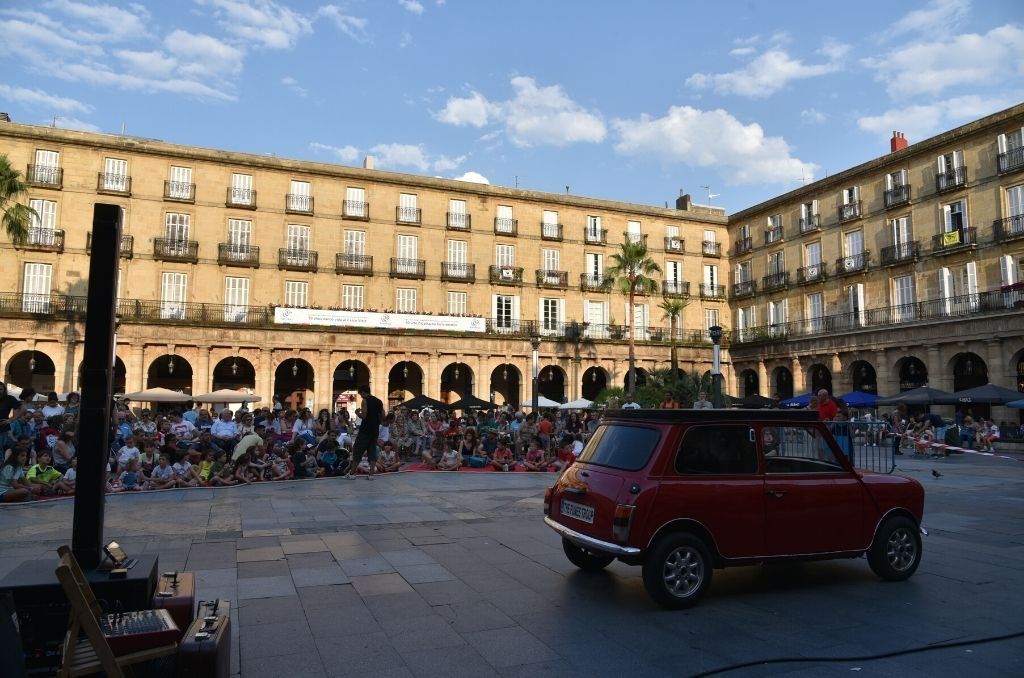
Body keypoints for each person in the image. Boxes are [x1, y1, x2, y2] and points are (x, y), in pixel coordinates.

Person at [346, 385, 383, 481]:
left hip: (365, 429)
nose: (360, 396)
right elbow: (382, 415)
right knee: (372, 450)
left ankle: (352, 473)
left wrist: (357, 412)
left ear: (363, 392)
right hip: (375, 429)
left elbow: (364, 415)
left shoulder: (365, 401)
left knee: (358, 450)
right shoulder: (379, 401)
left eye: (360, 394)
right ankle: (371, 475)